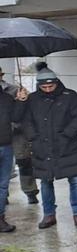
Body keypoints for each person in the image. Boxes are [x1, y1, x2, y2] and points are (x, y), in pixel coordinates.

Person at [26, 69, 77, 230]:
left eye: (51, 86)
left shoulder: (70, 96)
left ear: (56, 83)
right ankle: (49, 214)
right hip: (43, 147)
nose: (48, 89)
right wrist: (33, 137)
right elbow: (25, 120)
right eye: (44, 87)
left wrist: (68, 133)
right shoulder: (32, 99)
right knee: (46, 181)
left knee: (75, 180)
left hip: (67, 146)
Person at [2, 67, 38, 206]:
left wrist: (22, 100)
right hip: (1, 134)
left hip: (17, 134)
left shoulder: (15, 89)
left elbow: (23, 113)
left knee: (24, 163)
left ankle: (30, 192)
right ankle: (3, 194)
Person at [0, 79, 28, 232]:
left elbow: (16, 117)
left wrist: (21, 101)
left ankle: (0, 218)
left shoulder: (6, 97)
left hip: (5, 145)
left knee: (3, 185)